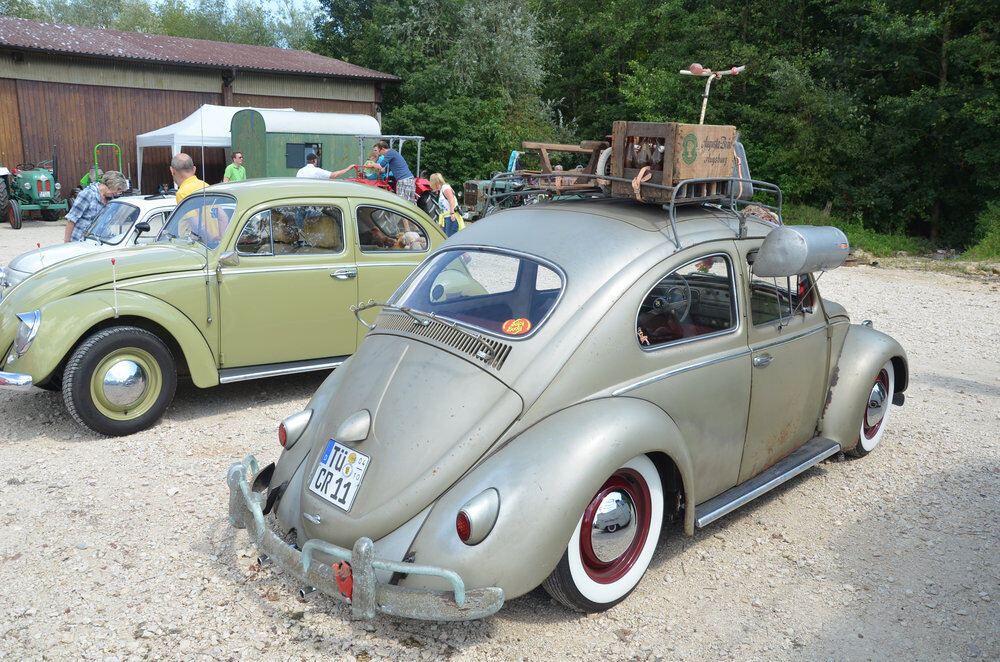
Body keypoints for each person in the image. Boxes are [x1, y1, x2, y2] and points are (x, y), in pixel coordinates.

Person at [63, 170, 128, 242]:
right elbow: (71, 219)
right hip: (80, 241)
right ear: (111, 184)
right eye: (118, 189)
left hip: (97, 242)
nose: (118, 193)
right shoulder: (88, 194)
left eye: (120, 191)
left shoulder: (110, 200)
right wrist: (67, 242)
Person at [429, 172, 464, 237]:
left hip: (451, 218)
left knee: (449, 239)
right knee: (445, 238)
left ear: (435, 183)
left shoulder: (445, 188)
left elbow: (452, 200)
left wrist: (452, 213)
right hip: (446, 217)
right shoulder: (442, 190)